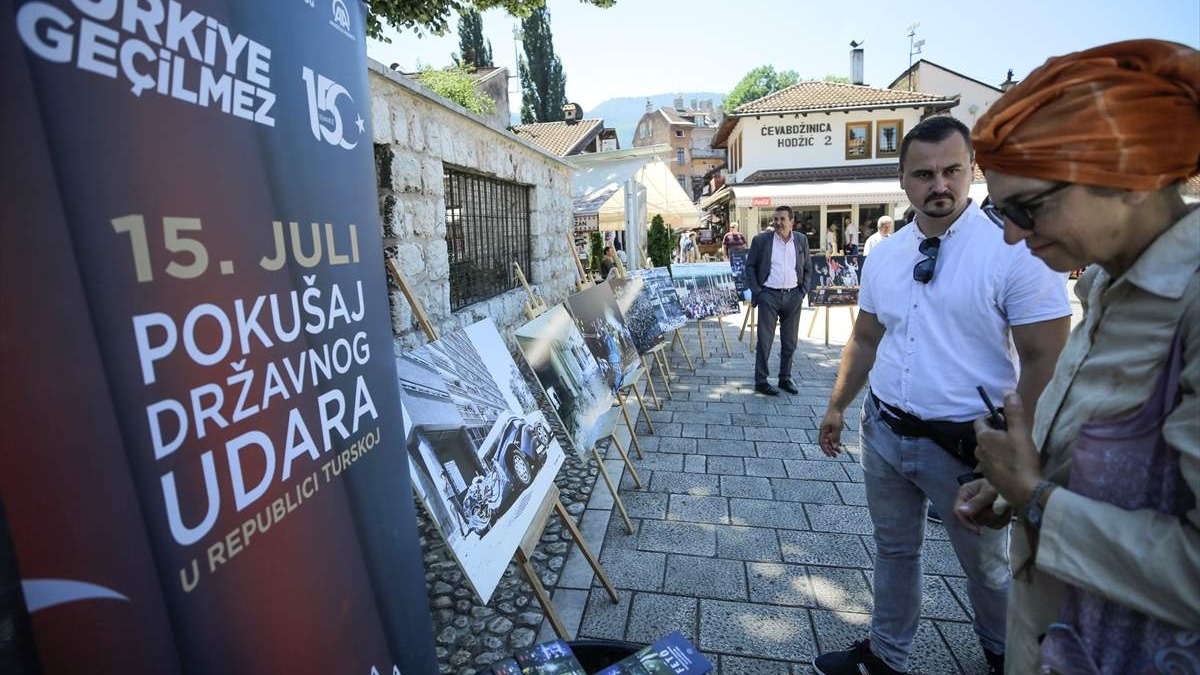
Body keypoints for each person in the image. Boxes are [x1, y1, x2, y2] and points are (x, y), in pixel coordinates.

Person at [958, 39, 1199, 674]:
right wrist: (1013, 488)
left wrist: (1035, 496)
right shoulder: (1106, 282)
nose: (1011, 234)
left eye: (1026, 208)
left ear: (1128, 176)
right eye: (999, 210)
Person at [813, 115, 1072, 675]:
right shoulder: (884, 253)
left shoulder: (1012, 250)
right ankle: (886, 657)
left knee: (988, 571)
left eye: (953, 170)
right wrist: (839, 404)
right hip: (884, 431)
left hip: (968, 448)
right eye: (924, 174)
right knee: (895, 551)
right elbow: (865, 335)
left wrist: (1010, 450)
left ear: (972, 171)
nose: (940, 185)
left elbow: (1047, 357)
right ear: (902, 181)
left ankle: (1010, 660)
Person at [743, 205, 811, 396]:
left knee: (790, 342)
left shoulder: (801, 240)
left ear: (791, 222)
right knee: (765, 341)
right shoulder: (761, 240)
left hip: (793, 296)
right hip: (769, 296)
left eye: (782, 219)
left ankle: (785, 378)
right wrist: (759, 292)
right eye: (776, 219)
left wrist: (802, 290)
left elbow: (807, 267)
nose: (778, 222)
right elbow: (750, 267)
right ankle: (761, 381)